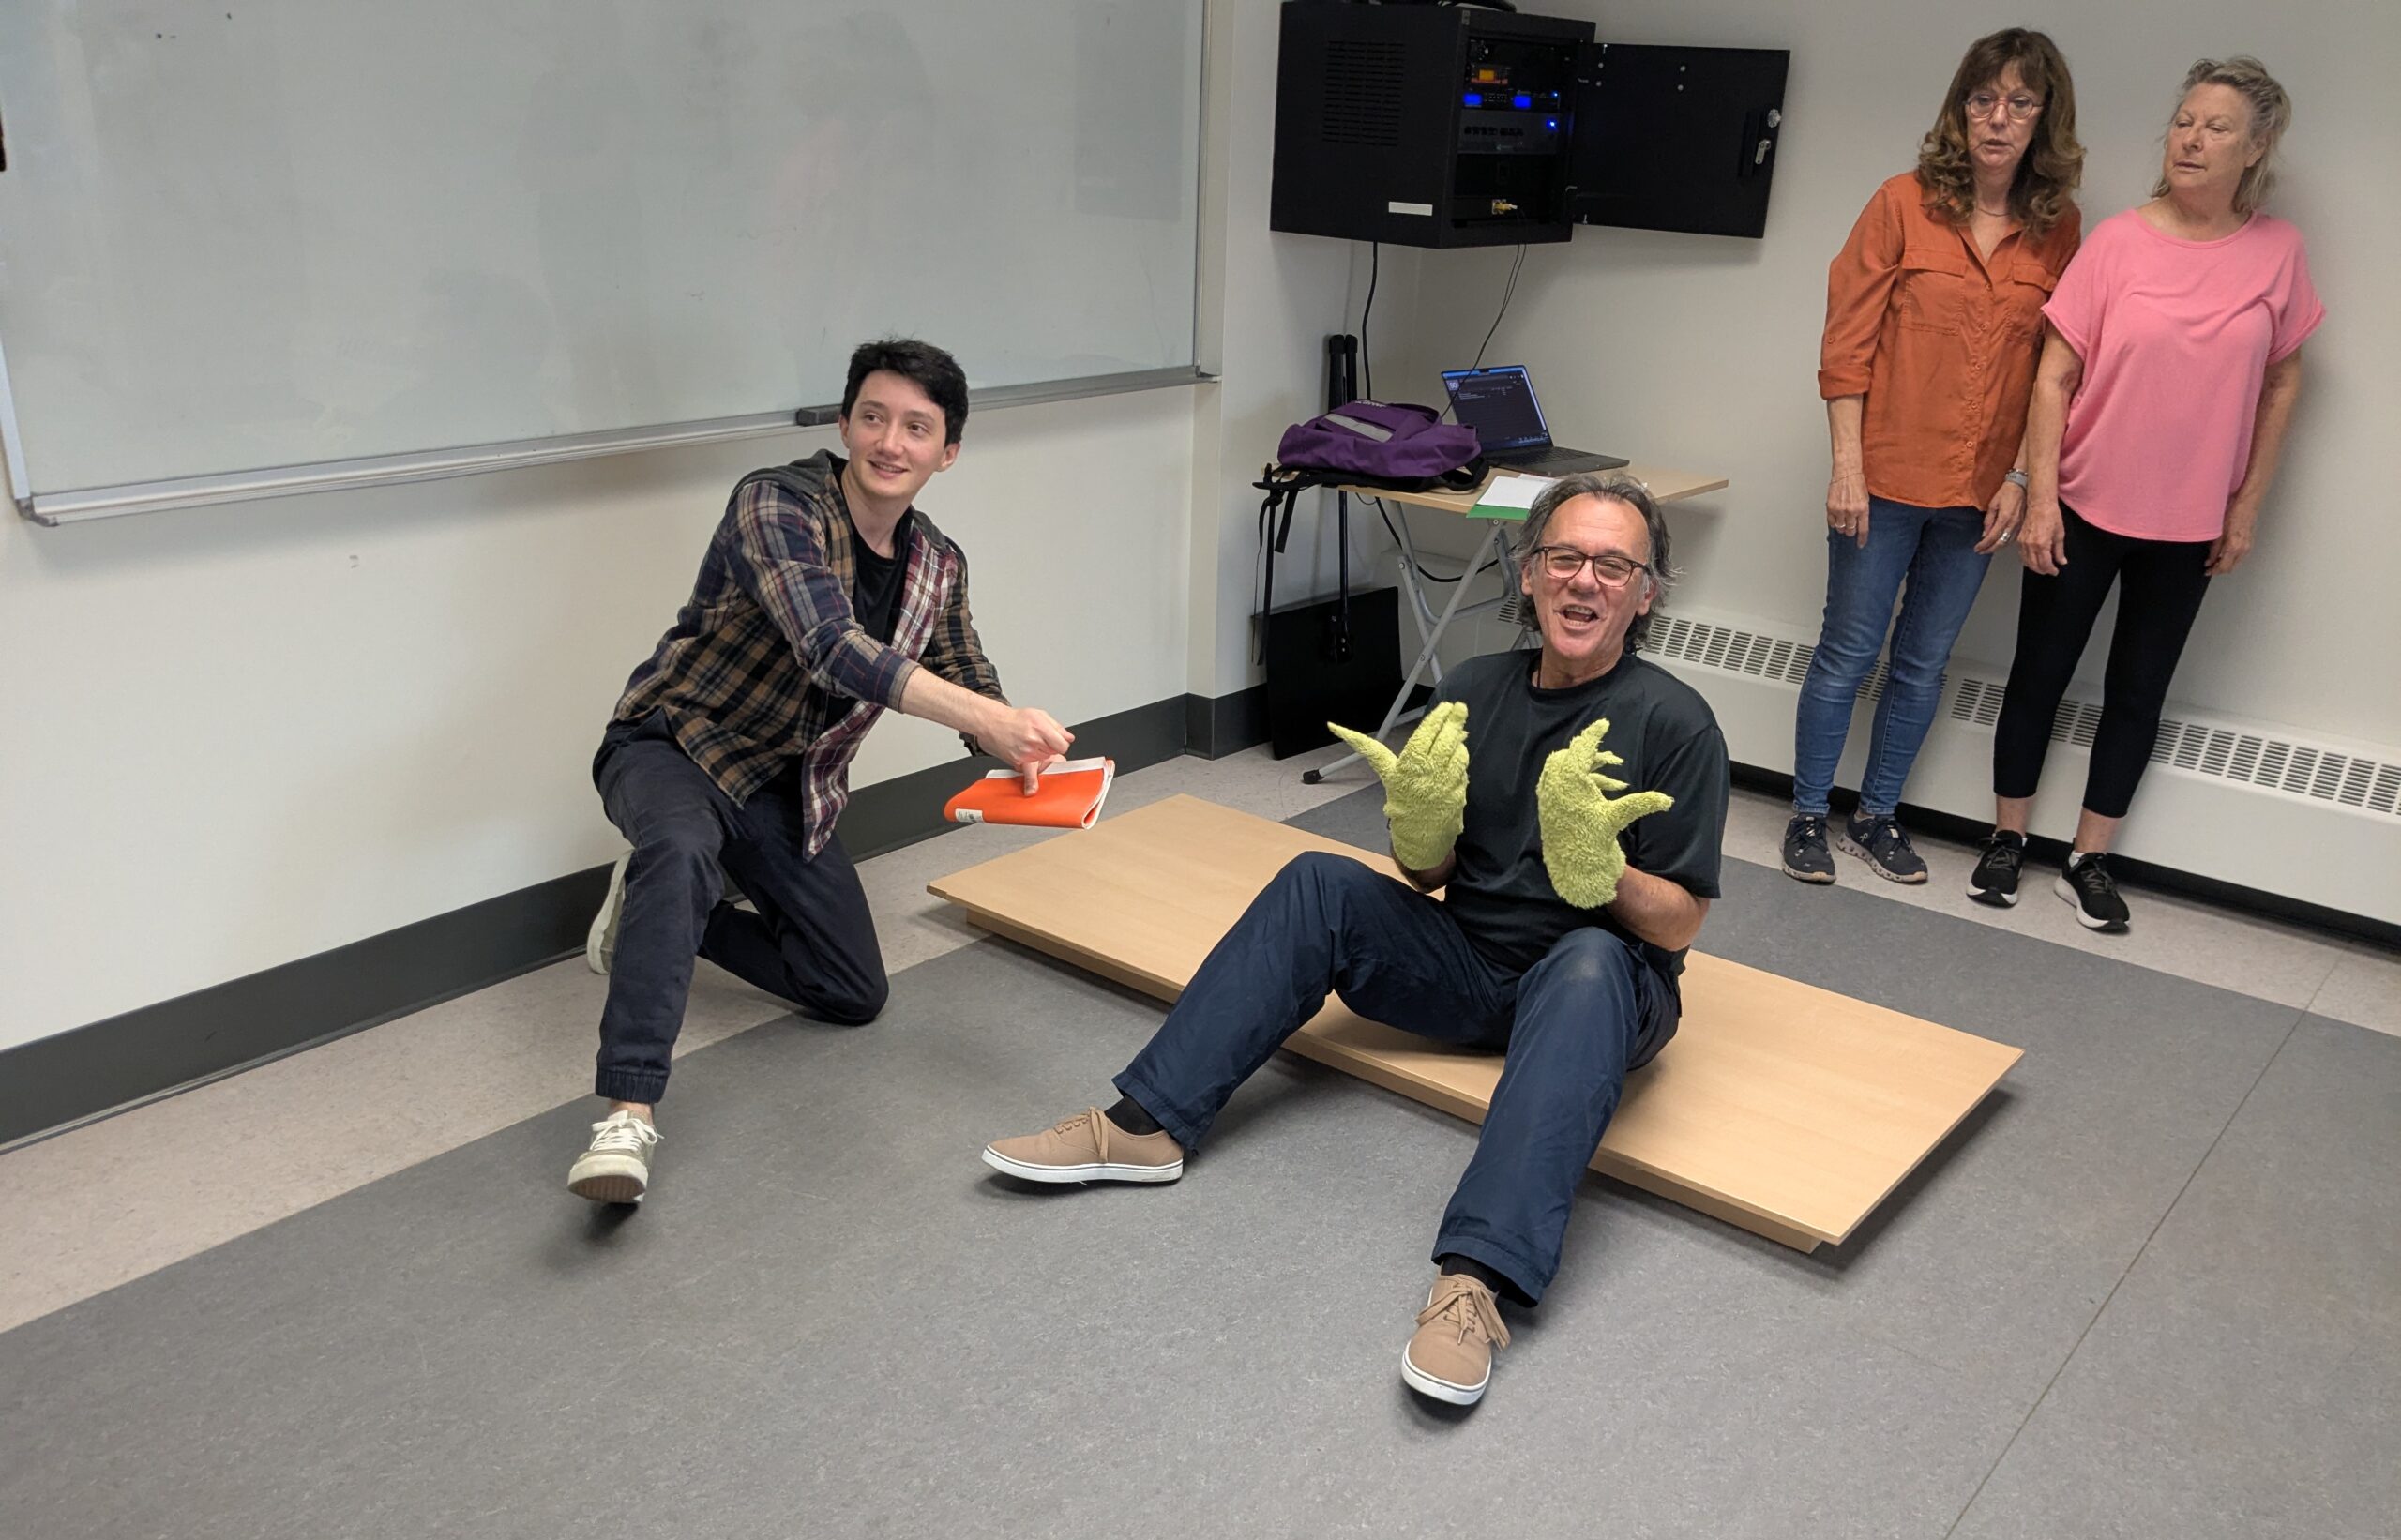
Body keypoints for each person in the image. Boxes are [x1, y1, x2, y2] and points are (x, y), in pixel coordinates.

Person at [983, 473, 1729, 1410]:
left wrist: (1604, 872)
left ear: (1645, 593)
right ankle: (1145, 1127)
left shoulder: (1676, 722)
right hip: (1472, 962)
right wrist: (1418, 831)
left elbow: (1683, 919)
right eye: (1564, 557)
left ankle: (1474, 1281)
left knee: (1584, 961)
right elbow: (1428, 877)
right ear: (1529, 573)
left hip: (1603, 989)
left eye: (1613, 566)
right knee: (1319, 880)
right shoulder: (1474, 687)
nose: (1585, 581)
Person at [568, 339, 1074, 1201]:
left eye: (916, 428)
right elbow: (831, 645)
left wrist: (1020, 747)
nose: (890, 442)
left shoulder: (938, 563)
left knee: (851, 990)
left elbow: (963, 670)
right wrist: (984, 718)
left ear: (948, 452)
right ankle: (627, 1115)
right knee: (681, 847)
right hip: (674, 742)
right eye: (873, 418)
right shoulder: (775, 504)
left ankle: (657, 911)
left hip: (784, 785)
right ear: (844, 425)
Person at [1971, 58, 2320, 931]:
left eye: (2217, 128)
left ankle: (2088, 859)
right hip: (2082, 505)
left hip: (2192, 520)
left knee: (2138, 691)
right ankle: (2008, 838)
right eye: (2184, 121)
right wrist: (2041, 496)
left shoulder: (2277, 252)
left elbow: (2283, 383)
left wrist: (2246, 506)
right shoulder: (2118, 242)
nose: (2191, 140)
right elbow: (2054, 376)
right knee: (2040, 675)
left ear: (2256, 148)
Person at [1786, 30, 2083, 887]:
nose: (1998, 118)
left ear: (2044, 119)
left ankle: (1877, 816)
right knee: (1847, 653)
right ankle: (1808, 814)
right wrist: (1847, 468)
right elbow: (1845, 347)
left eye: (2020, 103)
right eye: (1982, 99)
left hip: (1979, 493)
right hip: (1882, 480)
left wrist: (2022, 478)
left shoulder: (2058, 229)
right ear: (1959, 110)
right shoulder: (1901, 204)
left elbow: (2055, 371)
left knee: (1922, 665)